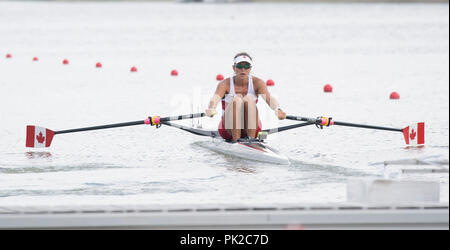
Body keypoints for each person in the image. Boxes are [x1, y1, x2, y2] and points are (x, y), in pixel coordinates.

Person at [205, 52, 286, 142]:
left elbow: (270, 99)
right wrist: (211, 108)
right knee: (237, 99)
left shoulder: (258, 83)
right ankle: (236, 140)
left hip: (252, 128)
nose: (243, 69)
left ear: (250, 68)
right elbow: (214, 99)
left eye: (246, 66)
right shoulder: (225, 84)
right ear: (234, 68)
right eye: (239, 66)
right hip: (227, 130)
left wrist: (278, 109)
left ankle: (250, 141)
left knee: (249, 99)